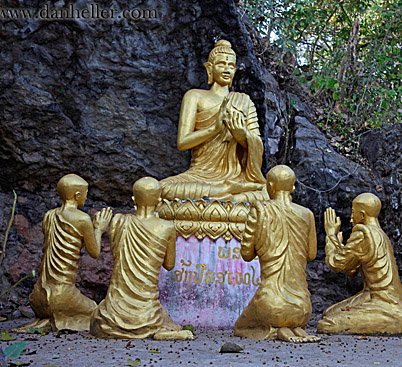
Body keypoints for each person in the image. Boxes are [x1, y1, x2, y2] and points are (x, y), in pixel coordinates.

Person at [160, 40, 267, 202]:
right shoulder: (194, 96)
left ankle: (224, 195)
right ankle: (225, 191)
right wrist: (214, 129)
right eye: (222, 64)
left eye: (231, 66)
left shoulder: (244, 101)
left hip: (236, 177)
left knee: (266, 194)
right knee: (157, 189)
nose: (227, 69)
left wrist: (241, 135)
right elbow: (183, 142)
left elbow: (257, 144)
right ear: (210, 68)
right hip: (199, 175)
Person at [90, 177, 193, 340]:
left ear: (133, 199)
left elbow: (117, 256)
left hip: (112, 312)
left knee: (96, 315)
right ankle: (160, 332)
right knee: (169, 324)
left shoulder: (118, 221)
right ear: (159, 201)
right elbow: (169, 265)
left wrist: (98, 229)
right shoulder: (166, 227)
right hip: (147, 312)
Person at [234, 165, 319, 342]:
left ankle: (278, 330)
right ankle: (295, 329)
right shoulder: (307, 214)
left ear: (270, 186)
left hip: (271, 304)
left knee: (242, 327)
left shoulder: (260, 210)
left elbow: (247, 254)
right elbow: (311, 254)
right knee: (293, 314)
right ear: (293, 188)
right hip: (302, 308)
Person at [317, 193, 402, 335]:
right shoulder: (381, 234)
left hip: (387, 305)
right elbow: (351, 270)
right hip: (379, 298)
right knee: (329, 313)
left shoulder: (363, 233)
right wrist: (339, 246)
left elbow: (336, 264)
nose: (351, 219)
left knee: (326, 324)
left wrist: (331, 234)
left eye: (353, 214)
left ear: (362, 215)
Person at [28, 174, 112, 331]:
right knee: (96, 310)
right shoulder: (82, 219)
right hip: (62, 295)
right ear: (77, 195)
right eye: (85, 193)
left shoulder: (49, 216)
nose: (86, 197)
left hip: (37, 296)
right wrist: (99, 229)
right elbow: (94, 252)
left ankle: (49, 317)